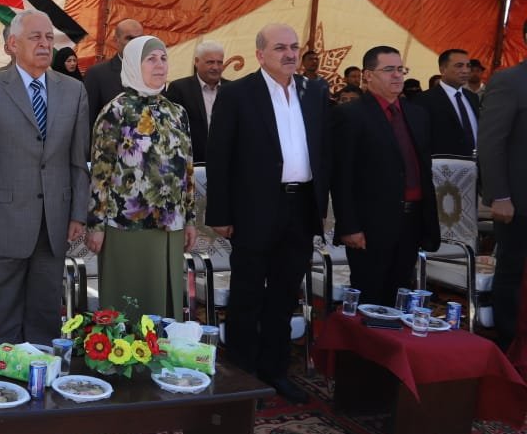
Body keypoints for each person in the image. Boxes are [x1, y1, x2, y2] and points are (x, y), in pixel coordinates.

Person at [205, 23, 330, 405]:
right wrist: (220, 213)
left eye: (294, 46)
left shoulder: (314, 91)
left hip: (300, 206)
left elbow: (323, 147)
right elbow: (219, 157)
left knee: (284, 294)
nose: (290, 54)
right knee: (247, 295)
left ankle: (275, 371)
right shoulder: (237, 94)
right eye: (280, 48)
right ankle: (242, 378)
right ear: (260, 55)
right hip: (255, 208)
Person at [0, 10, 90, 344]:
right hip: (3, 221)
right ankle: (5, 373)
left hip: (55, 220)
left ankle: (41, 372)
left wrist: (78, 212)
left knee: (46, 313)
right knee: (5, 313)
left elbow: (78, 160)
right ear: (12, 45)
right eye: (35, 37)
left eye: (49, 37)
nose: (45, 44)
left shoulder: (73, 91)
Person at [86, 36, 197, 318]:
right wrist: (96, 224)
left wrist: (190, 220)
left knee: (164, 307)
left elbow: (187, 169)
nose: (160, 65)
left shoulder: (176, 112)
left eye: (164, 58)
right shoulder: (116, 111)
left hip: (171, 224)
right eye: (151, 59)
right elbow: (101, 171)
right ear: (134, 64)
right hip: (127, 225)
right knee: (129, 306)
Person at [331, 47, 439, 307]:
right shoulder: (350, 115)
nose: (397, 75)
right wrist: (349, 226)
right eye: (389, 69)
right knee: (370, 297)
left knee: (400, 294)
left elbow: (422, 168)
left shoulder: (417, 114)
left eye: (401, 69)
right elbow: (341, 176)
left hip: (412, 219)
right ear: (368, 75)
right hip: (371, 224)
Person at [477, 20, 527, 350]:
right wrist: (500, 195)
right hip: (517, 200)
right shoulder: (509, 81)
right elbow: (491, 142)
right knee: (513, 270)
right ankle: (510, 341)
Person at [165, 40, 229, 163]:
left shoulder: (232, 89)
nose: (216, 67)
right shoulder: (179, 89)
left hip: (227, 162)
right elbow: (172, 130)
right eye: (210, 62)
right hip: (193, 163)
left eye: (219, 62)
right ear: (196, 62)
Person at [84, 18, 142, 131]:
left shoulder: (154, 73)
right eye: (129, 38)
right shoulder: (97, 74)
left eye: (139, 39)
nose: (135, 43)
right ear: (116, 40)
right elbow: (87, 121)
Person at [419, 48, 480, 157]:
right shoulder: (424, 100)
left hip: (477, 162)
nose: (466, 71)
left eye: (468, 66)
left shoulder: (473, 97)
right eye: (459, 66)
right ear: (442, 70)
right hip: (443, 164)